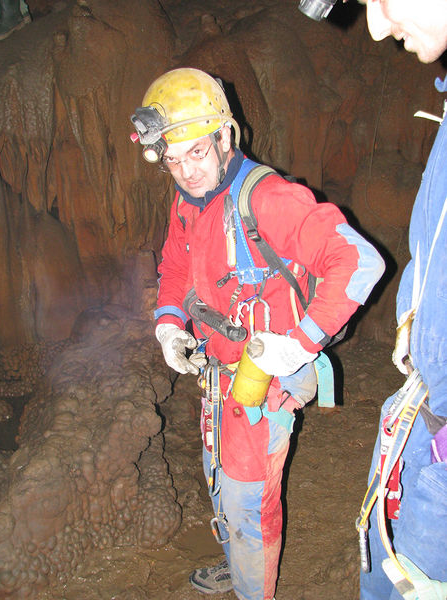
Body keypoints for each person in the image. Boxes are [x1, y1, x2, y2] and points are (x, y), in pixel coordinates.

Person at [130, 67, 385, 600]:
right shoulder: (187, 202)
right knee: (219, 482)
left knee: (249, 503)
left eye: (196, 153)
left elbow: (359, 261)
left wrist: (303, 339)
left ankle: (253, 588)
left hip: (262, 381)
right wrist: (169, 327)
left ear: (225, 137)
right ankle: (240, 566)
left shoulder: (268, 200)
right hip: (217, 378)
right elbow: (175, 267)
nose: (186, 172)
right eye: (173, 161)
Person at [299, 1, 447, 598]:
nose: (377, 27)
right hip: (418, 419)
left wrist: (301, 341)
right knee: (378, 575)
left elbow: (359, 261)